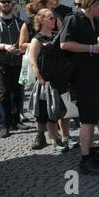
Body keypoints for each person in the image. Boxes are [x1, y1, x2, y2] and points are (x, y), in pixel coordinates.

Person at [60, 0, 99, 175]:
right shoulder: (72, 19)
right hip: (82, 78)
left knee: (98, 115)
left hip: (96, 76)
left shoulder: (96, 21)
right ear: (95, 4)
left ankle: (92, 153)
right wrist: (90, 48)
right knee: (87, 121)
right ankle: (85, 159)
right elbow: (65, 44)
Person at [28, 8, 68, 152]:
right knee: (43, 112)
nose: (54, 20)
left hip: (57, 79)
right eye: (50, 18)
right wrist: (40, 78)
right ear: (41, 20)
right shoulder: (37, 39)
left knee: (55, 111)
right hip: (44, 82)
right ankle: (49, 138)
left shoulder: (57, 36)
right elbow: (33, 60)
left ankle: (58, 138)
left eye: (54, 18)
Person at [0, 0, 28, 137]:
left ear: (12, 4)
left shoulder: (20, 22)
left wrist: (20, 49)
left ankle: (16, 121)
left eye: (8, 2)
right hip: (1, 63)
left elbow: (25, 41)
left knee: (18, 92)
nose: (6, 4)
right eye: (3, 2)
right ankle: (5, 124)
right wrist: (4, 46)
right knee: (3, 94)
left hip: (18, 62)